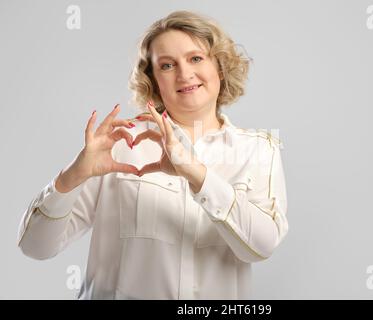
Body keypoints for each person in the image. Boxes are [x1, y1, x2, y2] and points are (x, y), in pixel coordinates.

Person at [17, 10, 288, 300]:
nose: (184, 74)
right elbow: (35, 247)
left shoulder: (259, 150)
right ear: (153, 79)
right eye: (167, 65)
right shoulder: (119, 142)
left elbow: (260, 246)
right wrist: (73, 176)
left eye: (196, 58)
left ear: (219, 67)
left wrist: (196, 173)